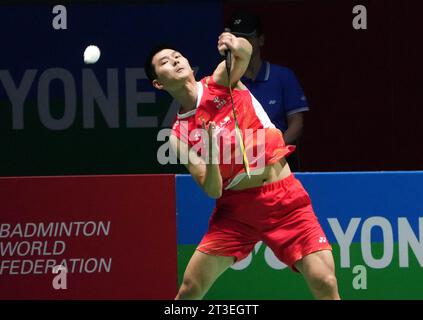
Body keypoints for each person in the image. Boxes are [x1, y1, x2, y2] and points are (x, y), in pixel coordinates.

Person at [145, 32, 340, 300]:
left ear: (189, 64)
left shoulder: (220, 81)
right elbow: (212, 189)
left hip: (283, 200)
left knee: (325, 281)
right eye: (165, 62)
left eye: (177, 56)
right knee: (190, 290)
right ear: (158, 84)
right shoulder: (178, 136)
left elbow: (244, 54)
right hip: (236, 212)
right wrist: (213, 156)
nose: (175, 61)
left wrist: (236, 43)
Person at [226, 11, 309, 172]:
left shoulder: (283, 77)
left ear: (261, 40)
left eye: (247, 38)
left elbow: (297, 124)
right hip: (239, 165)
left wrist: (271, 152)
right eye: (236, 39)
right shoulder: (226, 82)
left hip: (279, 162)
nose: (241, 45)